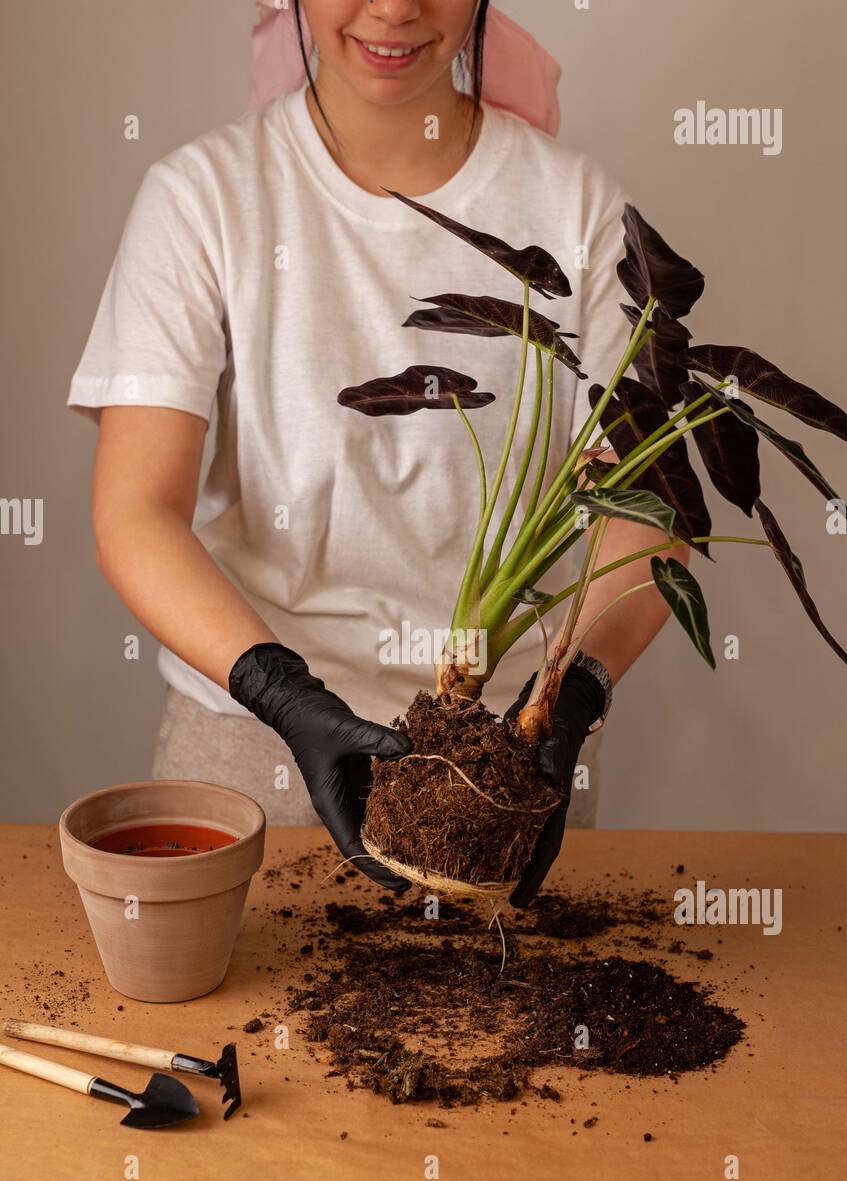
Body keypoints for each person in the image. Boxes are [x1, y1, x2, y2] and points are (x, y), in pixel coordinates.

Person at [68, 1, 681, 904]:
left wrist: (573, 696)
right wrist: (282, 695)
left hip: (506, 753)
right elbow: (135, 511)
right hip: (252, 749)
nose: (394, 7)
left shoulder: (577, 205)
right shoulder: (203, 198)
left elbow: (648, 511)